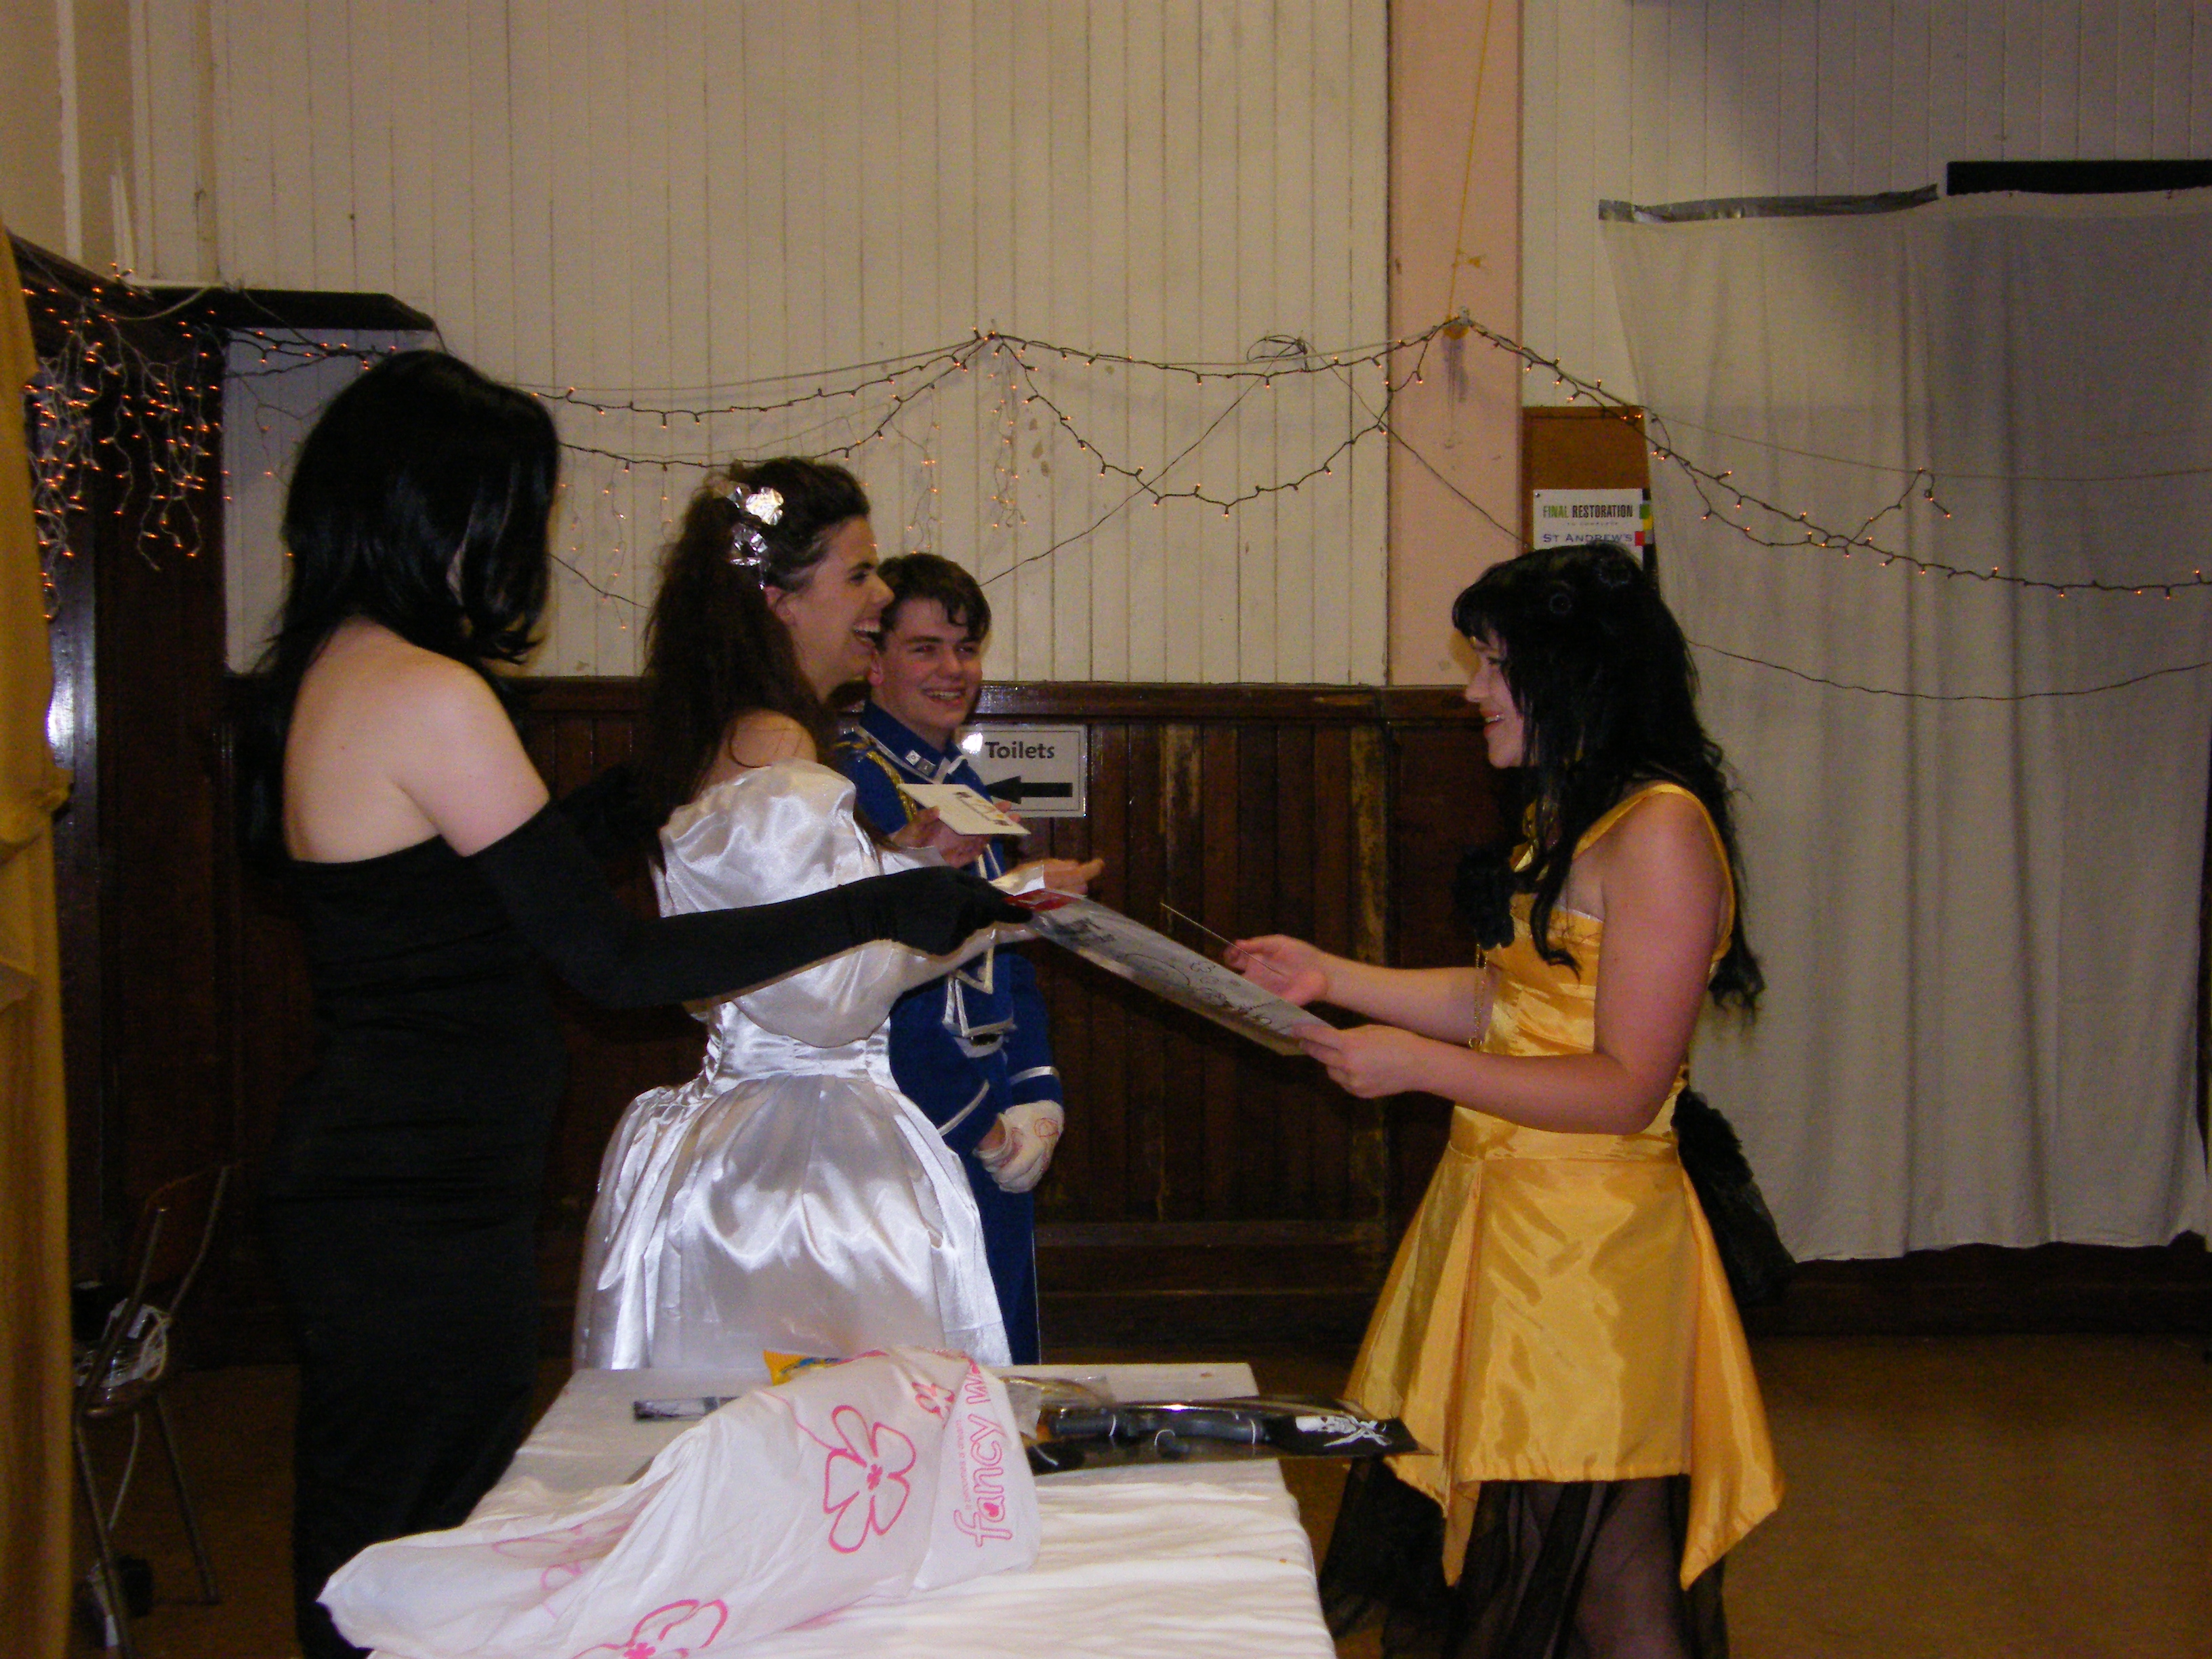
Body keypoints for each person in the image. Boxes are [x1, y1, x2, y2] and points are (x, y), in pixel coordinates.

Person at [240, 353, 1023, 1659]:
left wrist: (644, 788)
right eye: (516, 513)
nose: (521, 552)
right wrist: (881, 907)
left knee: (383, 1518)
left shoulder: (336, 666)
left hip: (390, 1168)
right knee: (403, 1540)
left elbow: (468, 885)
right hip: (417, 1187)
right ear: (442, 513)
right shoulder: (428, 692)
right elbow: (607, 960)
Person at [1229, 541, 1782, 1659]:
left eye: (1493, 663)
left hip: (1591, 1264)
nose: (1472, 688)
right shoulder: (1573, 815)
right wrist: (1329, 977)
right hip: (1514, 1232)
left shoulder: (1659, 831)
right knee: (1557, 1568)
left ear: (1571, 675)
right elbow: (1510, 1002)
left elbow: (1625, 1085)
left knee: (1585, 1579)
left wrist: (1419, 1067)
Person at [573, 463, 1089, 1372]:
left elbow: (792, 927)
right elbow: (826, 997)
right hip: (801, 1157)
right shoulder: (776, 747)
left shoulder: (736, 733)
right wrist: (995, 915)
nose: (879, 596)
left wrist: (918, 872)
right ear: (779, 602)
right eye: (858, 574)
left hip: (759, 1123)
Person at [837, 553, 1099, 1363]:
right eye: (925, 649)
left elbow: (1005, 952)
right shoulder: (851, 783)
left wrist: (1038, 1094)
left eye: (966, 648)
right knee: (931, 1363)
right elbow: (883, 980)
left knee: (1001, 1351)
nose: (953, 670)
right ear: (873, 661)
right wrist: (981, 1126)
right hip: (912, 1111)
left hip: (991, 1100)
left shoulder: (961, 778)